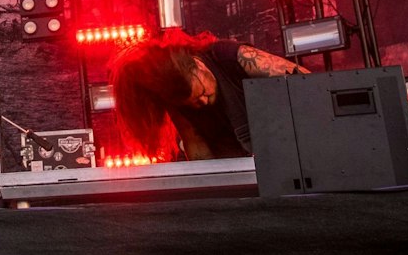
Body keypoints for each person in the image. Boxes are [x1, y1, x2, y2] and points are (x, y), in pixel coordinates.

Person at [108, 31, 308, 161]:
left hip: (287, 147)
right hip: (234, 162)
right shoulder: (175, 97)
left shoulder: (232, 56)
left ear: (198, 65)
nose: (203, 101)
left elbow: (308, 82)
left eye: (202, 92)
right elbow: (195, 143)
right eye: (195, 102)